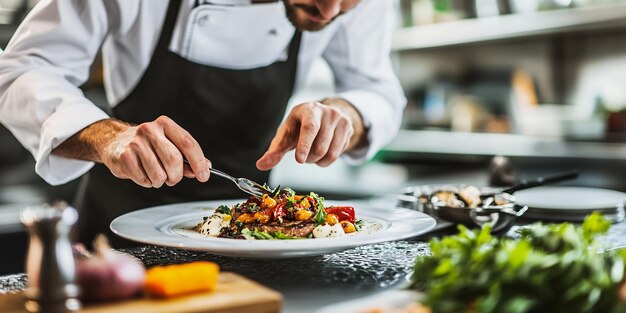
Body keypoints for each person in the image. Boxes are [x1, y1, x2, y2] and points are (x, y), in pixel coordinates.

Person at [0, 0, 405, 246]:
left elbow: (377, 90)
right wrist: (110, 138)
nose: (330, 12)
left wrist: (346, 115)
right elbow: (21, 71)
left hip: (254, 242)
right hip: (119, 237)